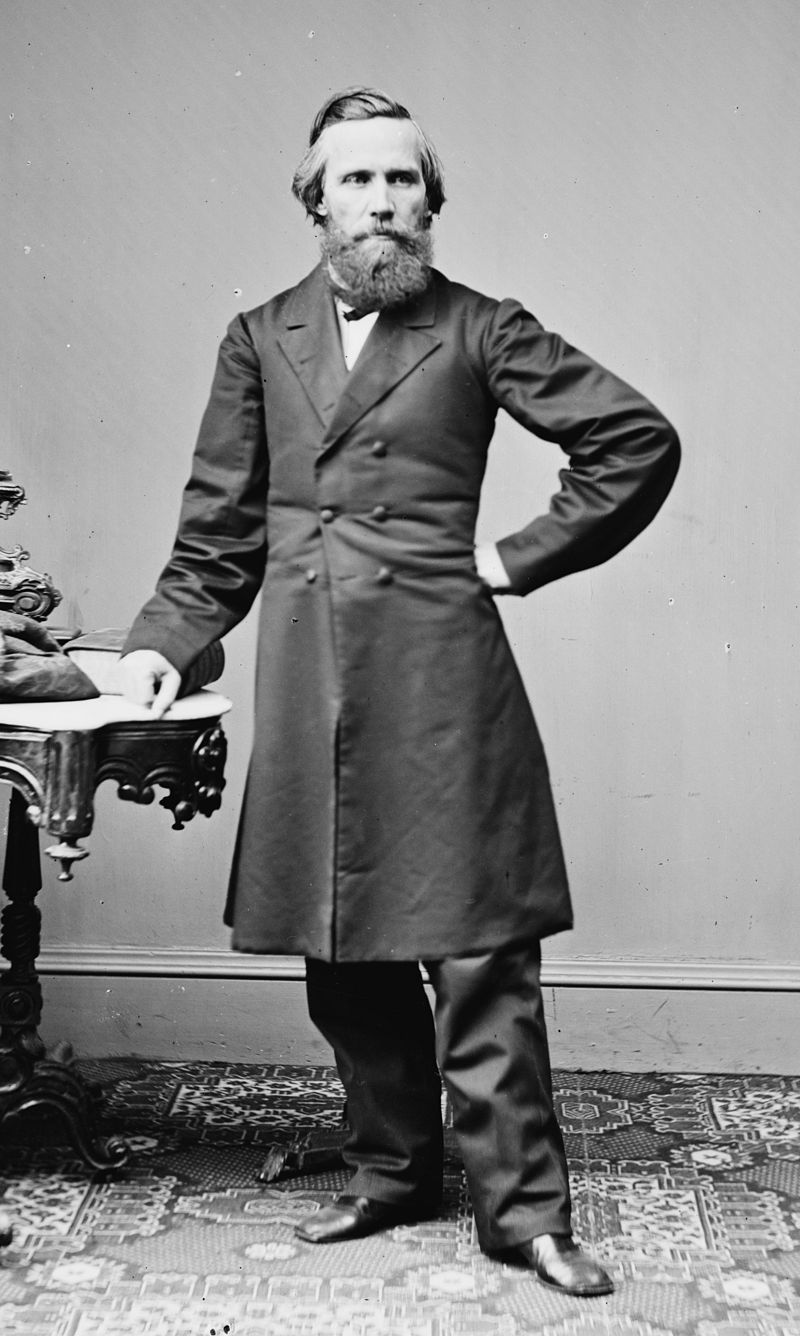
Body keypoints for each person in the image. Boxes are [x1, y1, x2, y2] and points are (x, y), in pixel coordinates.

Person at [119, 87, 680, 1297]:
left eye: (400, 180)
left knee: (479, 950)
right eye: (356, 180)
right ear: (315, 200)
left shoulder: (480, 327)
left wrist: (512, 558)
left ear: (430, 200)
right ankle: (392, 1170)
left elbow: (632, 439)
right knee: (339, 943)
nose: (379, 201)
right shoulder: (258, 337)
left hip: (442, 680)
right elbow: (216, 534)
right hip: (308, 682)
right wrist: (166, 640)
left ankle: (524, 1214)